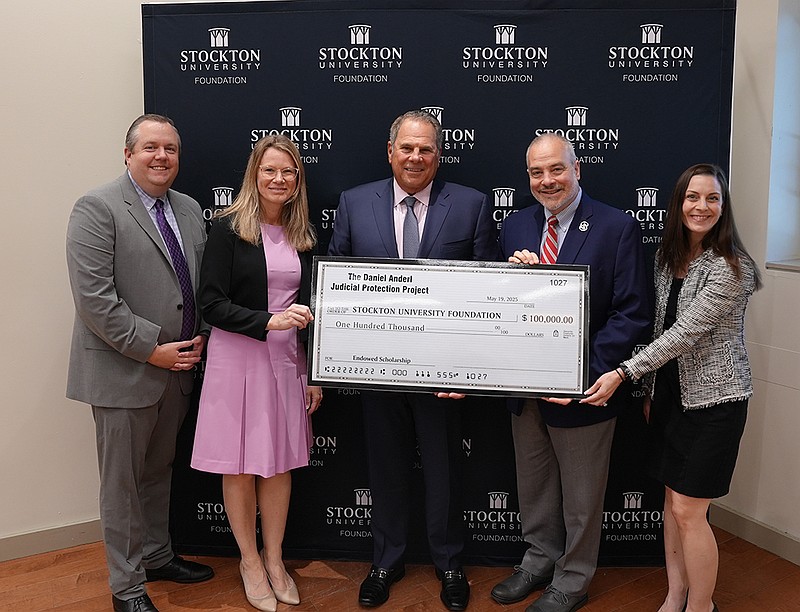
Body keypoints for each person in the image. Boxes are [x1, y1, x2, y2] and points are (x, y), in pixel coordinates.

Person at [328, 109, 498, 611]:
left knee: (445, 469)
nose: (416, 157)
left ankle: (448, 562)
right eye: (407, 148)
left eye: (426, 149)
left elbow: (487, 291)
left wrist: (470, 369)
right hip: (375, 370)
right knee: (384, 467)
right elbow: (334, 282)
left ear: (438, 155)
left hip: (445, 373)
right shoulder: (355, 203)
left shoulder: (469, 205)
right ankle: (386, 560)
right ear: (390, 151)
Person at [581, 164, 761, 612]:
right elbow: (658, 325)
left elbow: (683, 334)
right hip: (669, 401)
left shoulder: (731, 268)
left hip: (714, 404)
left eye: (713, 199)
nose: (702, 207)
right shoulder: (668, 258)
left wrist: (624, 374)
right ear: (678, 203)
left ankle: (702, 606)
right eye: (693, 197)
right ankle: (675, 594)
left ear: (724, 207)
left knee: (689, 511)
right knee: (671, 505)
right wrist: (649, 395)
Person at [491, 133, 650, 612]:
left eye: (556, 169)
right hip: (525, 385)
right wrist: (516, 279)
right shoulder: (515, 227)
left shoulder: (615, 226)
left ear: (577, 169)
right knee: (534, 481)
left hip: (585, 388)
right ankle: (539, 559)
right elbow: (498, 304)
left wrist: (583, 375)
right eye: (536, 172)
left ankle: (574, 579)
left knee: (582, 495)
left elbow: (632, 313)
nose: (547, 180)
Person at [66, 114, 214, 612]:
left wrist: (199, 339)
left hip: (180, 370)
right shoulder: (97, 207)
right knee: (122, 485)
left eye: (171, 149)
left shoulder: (190, 209)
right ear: (128, 154)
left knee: (158, 471)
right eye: (150, 147)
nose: (161, 157)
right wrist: (153, 348)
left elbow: (199, 288)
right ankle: (126, 588)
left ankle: (157, 555)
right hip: (125, 369)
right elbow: (94, 301)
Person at [191, 135, 322, 612]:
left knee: (279, 462)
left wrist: (314, 373)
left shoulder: (303, 235)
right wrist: (267, 321)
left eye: (288, 172)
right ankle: (248, 561)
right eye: (270, 171)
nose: (279, 179)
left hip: (287, 361)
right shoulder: (227, 229)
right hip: (236, 358)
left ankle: (275, 558)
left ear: (298, 181)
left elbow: (313, 310)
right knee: (241, 464)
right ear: (254, 174)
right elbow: (212, 304)